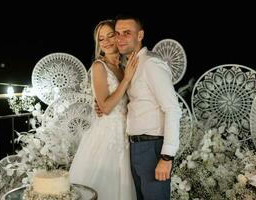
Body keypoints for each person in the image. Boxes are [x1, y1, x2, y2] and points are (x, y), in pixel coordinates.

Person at [96, 14, 182, 199]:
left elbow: (173, 109)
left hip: (152, 147)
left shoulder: (151, 64)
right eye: (117, 33)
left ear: (140, 35)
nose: (120, 38)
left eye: (127, 33)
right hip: (134, 148)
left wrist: (167, 157)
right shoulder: (130, 65)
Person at [69, 19, 138, 200]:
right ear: (98, 44)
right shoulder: (99, 67)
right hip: (107, 137)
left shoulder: (124, 67)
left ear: (118, 37)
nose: (106, 42)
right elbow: (106, 108)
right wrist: (126, 80)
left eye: (110, 36)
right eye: (101, 39)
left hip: (127, 135)